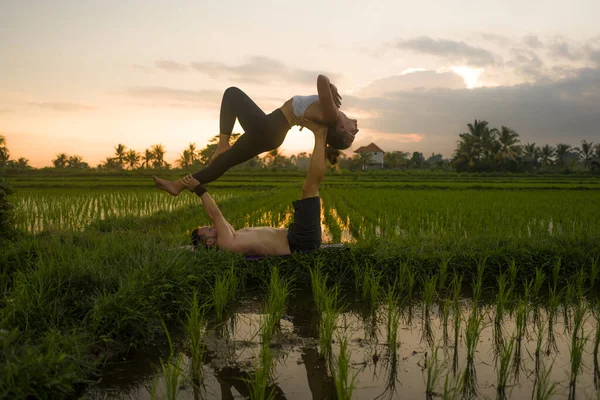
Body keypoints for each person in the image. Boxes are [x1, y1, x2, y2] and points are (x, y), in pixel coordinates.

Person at [153, 74, 358, 196]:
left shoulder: (332, 114)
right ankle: (177, 186)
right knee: (222, 164)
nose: (356, 126)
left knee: (232, 93)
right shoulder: (330, 113)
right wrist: (329, 92)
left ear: (340, 129)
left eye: (353, 132)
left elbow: (321, 79)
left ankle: (223, 144)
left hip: (269, 128)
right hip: (271, 133)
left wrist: (330, 88)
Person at [180, 119, 331, 256]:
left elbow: (219, 219)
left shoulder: (232, 235)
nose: (212, 226)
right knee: (309, 188)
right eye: (209, 229)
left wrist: (198, 187)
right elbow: (215, 215)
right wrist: (198, 189)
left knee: (310, 188)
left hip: (298, 235)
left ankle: (321, 135)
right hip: (302, 241)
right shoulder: (227, 243)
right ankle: (320, 133)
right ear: (210, 242)